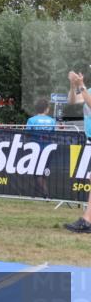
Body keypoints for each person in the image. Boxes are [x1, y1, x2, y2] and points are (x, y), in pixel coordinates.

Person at [64, 71, 91, 233]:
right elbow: (72, 101)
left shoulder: (86, 90)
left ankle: (86, 220)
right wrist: (73, 85)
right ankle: (87, 220)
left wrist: (81, 86)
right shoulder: (88, 90)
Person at [26, 97, 56, 200]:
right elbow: (53, 134)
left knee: (37, 172)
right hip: (48, 149)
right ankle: (37, 194)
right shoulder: (52, 121)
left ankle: (45, 194)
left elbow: (27, 134)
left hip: (36, 149)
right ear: (47, 109)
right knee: (43, 172)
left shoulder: (31, 120)